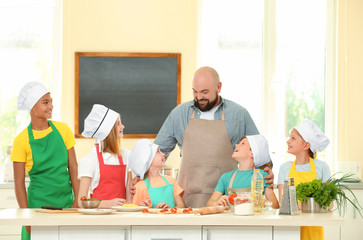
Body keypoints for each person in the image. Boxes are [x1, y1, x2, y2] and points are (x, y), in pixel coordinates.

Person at [153, 66, 273, 207]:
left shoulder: (239, 114)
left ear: (219, 87)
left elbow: (259, 151)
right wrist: (141, 178)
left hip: (228, 200)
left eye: (204, 92)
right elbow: (156, 153)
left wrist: (267, 170)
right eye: (195, 92)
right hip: (187, 198)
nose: (199, 97)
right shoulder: (179, 114)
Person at [11, 82, 79, 240]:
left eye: (51, 101)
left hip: (66, 204)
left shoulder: (63, 130)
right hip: (37, 208)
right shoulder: (21, 141)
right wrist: (25, 216)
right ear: (32, 107)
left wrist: (77, 200)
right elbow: (19, 183)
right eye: (45, 102)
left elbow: (74, 168)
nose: (51, 106)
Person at [277, 119, 330, 240]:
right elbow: (283, 201)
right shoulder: (284, 168)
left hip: (313, 228)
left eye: (293, 138)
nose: (288, 141)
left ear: (306, 145)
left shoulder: (322, 167)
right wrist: (310, 205)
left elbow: (329, 202)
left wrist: (299, 205)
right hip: (290, 227)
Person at [78, 104, 132, 208]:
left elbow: (129, 199)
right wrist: (107, 204)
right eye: (118, 124)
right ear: (108, 130)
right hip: (99, 219)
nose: (122, 126)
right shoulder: (89, 160)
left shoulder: (126, 156)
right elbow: (81, 202)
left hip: (122, 217)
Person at [207, 135, 279, 209]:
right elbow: (209, 204)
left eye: (243, 144)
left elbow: (275, 205)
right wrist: (217, 203)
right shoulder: (226, 177)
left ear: (253, 153)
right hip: (230, 220)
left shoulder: (263, 175)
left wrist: (261, 202)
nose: (236, 145)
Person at [129, 139, 185, 208]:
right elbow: (135, 211)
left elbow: (181, 206)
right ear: (147, 160)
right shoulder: (140, 186)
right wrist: (142, 206)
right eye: (158, 152)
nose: (163, 154)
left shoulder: (171, 181)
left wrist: (170, 210)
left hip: (172, 218)